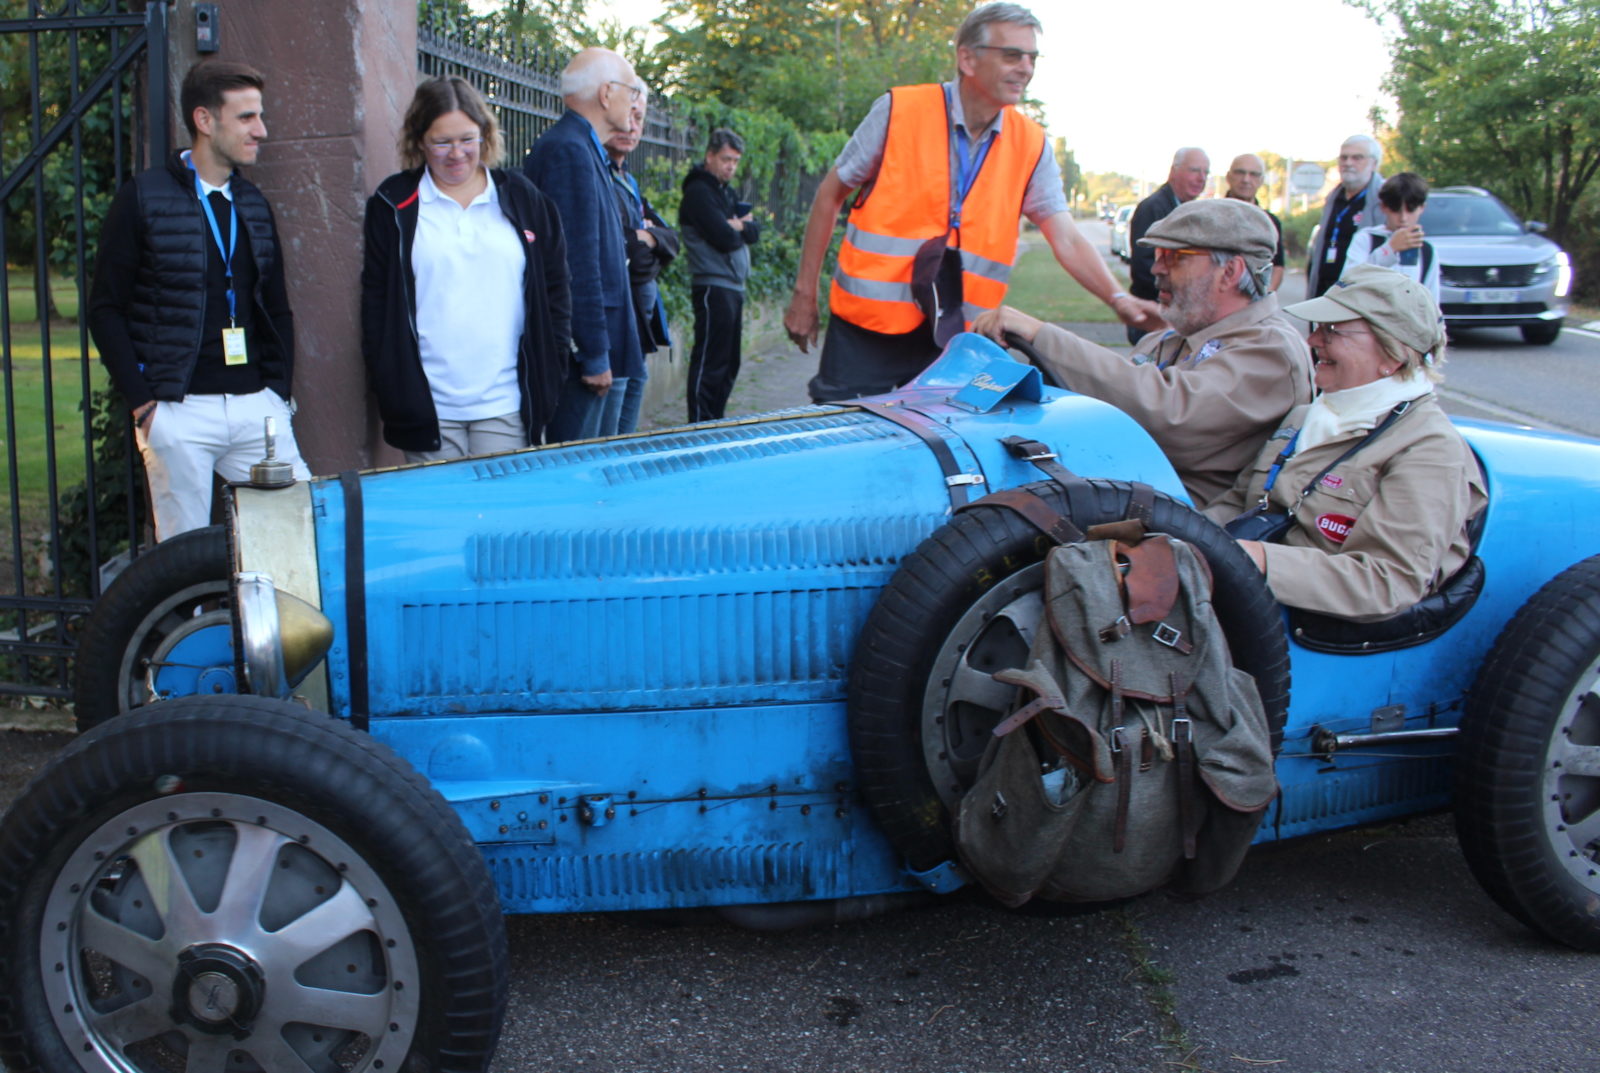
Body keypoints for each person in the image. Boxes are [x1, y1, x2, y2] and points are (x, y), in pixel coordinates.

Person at [784, 2, 1163, 403]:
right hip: (868, 326)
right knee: (849, 446)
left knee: (938, 455)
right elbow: (830, 194)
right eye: (1012, 55)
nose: (1026, 68)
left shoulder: (1031, 144)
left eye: (1032, 57)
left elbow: (1066, 237)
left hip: (956, 339)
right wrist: (804, 293)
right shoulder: (899, 111)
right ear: (967, 58)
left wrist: (1118, 299)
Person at [87, 60, 309, 542]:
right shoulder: (143, 198)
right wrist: (145, 406)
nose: (262, 130)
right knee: (180, 556)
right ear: (205, 121)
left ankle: (272, 621)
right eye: (247, 117)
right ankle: (194, 621)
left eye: (260, 116)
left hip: (256, 408)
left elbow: (276, 307)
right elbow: (105, 309)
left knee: (297, 531)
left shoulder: (252, 204)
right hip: (177, 411)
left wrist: (276, 392)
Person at [974, 198, 1314, 510]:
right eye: (1159, 255)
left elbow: (1169, 414)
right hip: (1127, 498)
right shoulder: (1175, 336)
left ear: (1230, 272)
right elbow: (1117, 396)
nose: (1157, 269)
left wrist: (1043, 336)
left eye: (1177, 257)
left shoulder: (1270, 350)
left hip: (1185, 534)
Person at [1208, 265, 1485, 621]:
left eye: (1333, 330)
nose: (1313, 341)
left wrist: (1251, 559)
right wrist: (1176, 538)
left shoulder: (1429, 449)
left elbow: (1387, 584)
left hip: (1294, 632)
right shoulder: (1305, 417)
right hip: (1239, 603)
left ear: (1392, 354)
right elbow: (1236, 504)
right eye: (1318, 328)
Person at [361, 77, 572, 462]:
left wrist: (552, 367)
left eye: (467, 139)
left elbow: (556, 290)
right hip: (428, 408)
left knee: (500, 521)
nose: (456, 153)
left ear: (485, 135)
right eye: (442, 142)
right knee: (438, 519)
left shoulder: (525, 199)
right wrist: (391, 383)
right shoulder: (393, 204)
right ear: (420, 141)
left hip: (506, 403)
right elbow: (376, 303)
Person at [524, 47, 644, 442]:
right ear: (607, 93)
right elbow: (576, 262)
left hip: (603, 347)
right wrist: (593, 352)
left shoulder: (584, 148)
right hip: (585, 359)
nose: (635, 101)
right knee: (579, 475)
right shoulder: (569, 150)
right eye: (630, 90)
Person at [603, 87, 678, 435]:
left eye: (638, 119)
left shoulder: (628, 181)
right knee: (609, 432)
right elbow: (630, 254)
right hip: (619, 323)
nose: (631, 127)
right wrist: (642, 240)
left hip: (641, 326)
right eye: (627, 115)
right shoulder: (600, 178)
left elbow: (670, 242)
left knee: (627, 424)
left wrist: (648, 237)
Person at [680, 129, 760, 423]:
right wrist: (738, 227)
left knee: (728, 362)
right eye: (726, 159)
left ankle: (715, 420)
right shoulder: (699, 193)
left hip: (732, 285)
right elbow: (724, 237)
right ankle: (699, 425)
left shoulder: (725, 192)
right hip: (713, 285)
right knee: (710, 360)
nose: (731, 167)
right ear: (710, 156)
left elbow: (753, 231)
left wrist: (737, 226)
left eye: (736, 161)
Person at [1126, 147, 1210, 342]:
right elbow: (1144, 266)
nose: (1202, 178)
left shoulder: (1187, 209)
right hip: (1155, 316)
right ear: (1174, 171)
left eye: (1206, 172)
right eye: (1195, 170)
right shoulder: (1154, 208)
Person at [1306, 134, 1385, 298]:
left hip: (1359, 295)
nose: (1348, 163)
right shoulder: (1334, 197)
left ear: (1374, 163)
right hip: (1324, 290)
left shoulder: (1384, 198)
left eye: (1357, 158)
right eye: (1344, 157)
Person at [1341, 172, 1440, 301]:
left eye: (1410, 210)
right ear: (1383, 207)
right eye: (1396, 210)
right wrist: (1389, 249)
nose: (1403, 218)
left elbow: (1432, 300)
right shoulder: (1366, 239)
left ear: (1422, 208)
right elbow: (1348, 282)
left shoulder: (1426, 250)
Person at [1224, 153, 1285, 292]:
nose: (1246, 179)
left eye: (1254, 174)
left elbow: (1277, 266)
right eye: (1240, 172)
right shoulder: (1209, 216)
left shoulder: (1271, 222)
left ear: (1262, 180)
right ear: (1228, 176)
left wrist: (1264, 294)